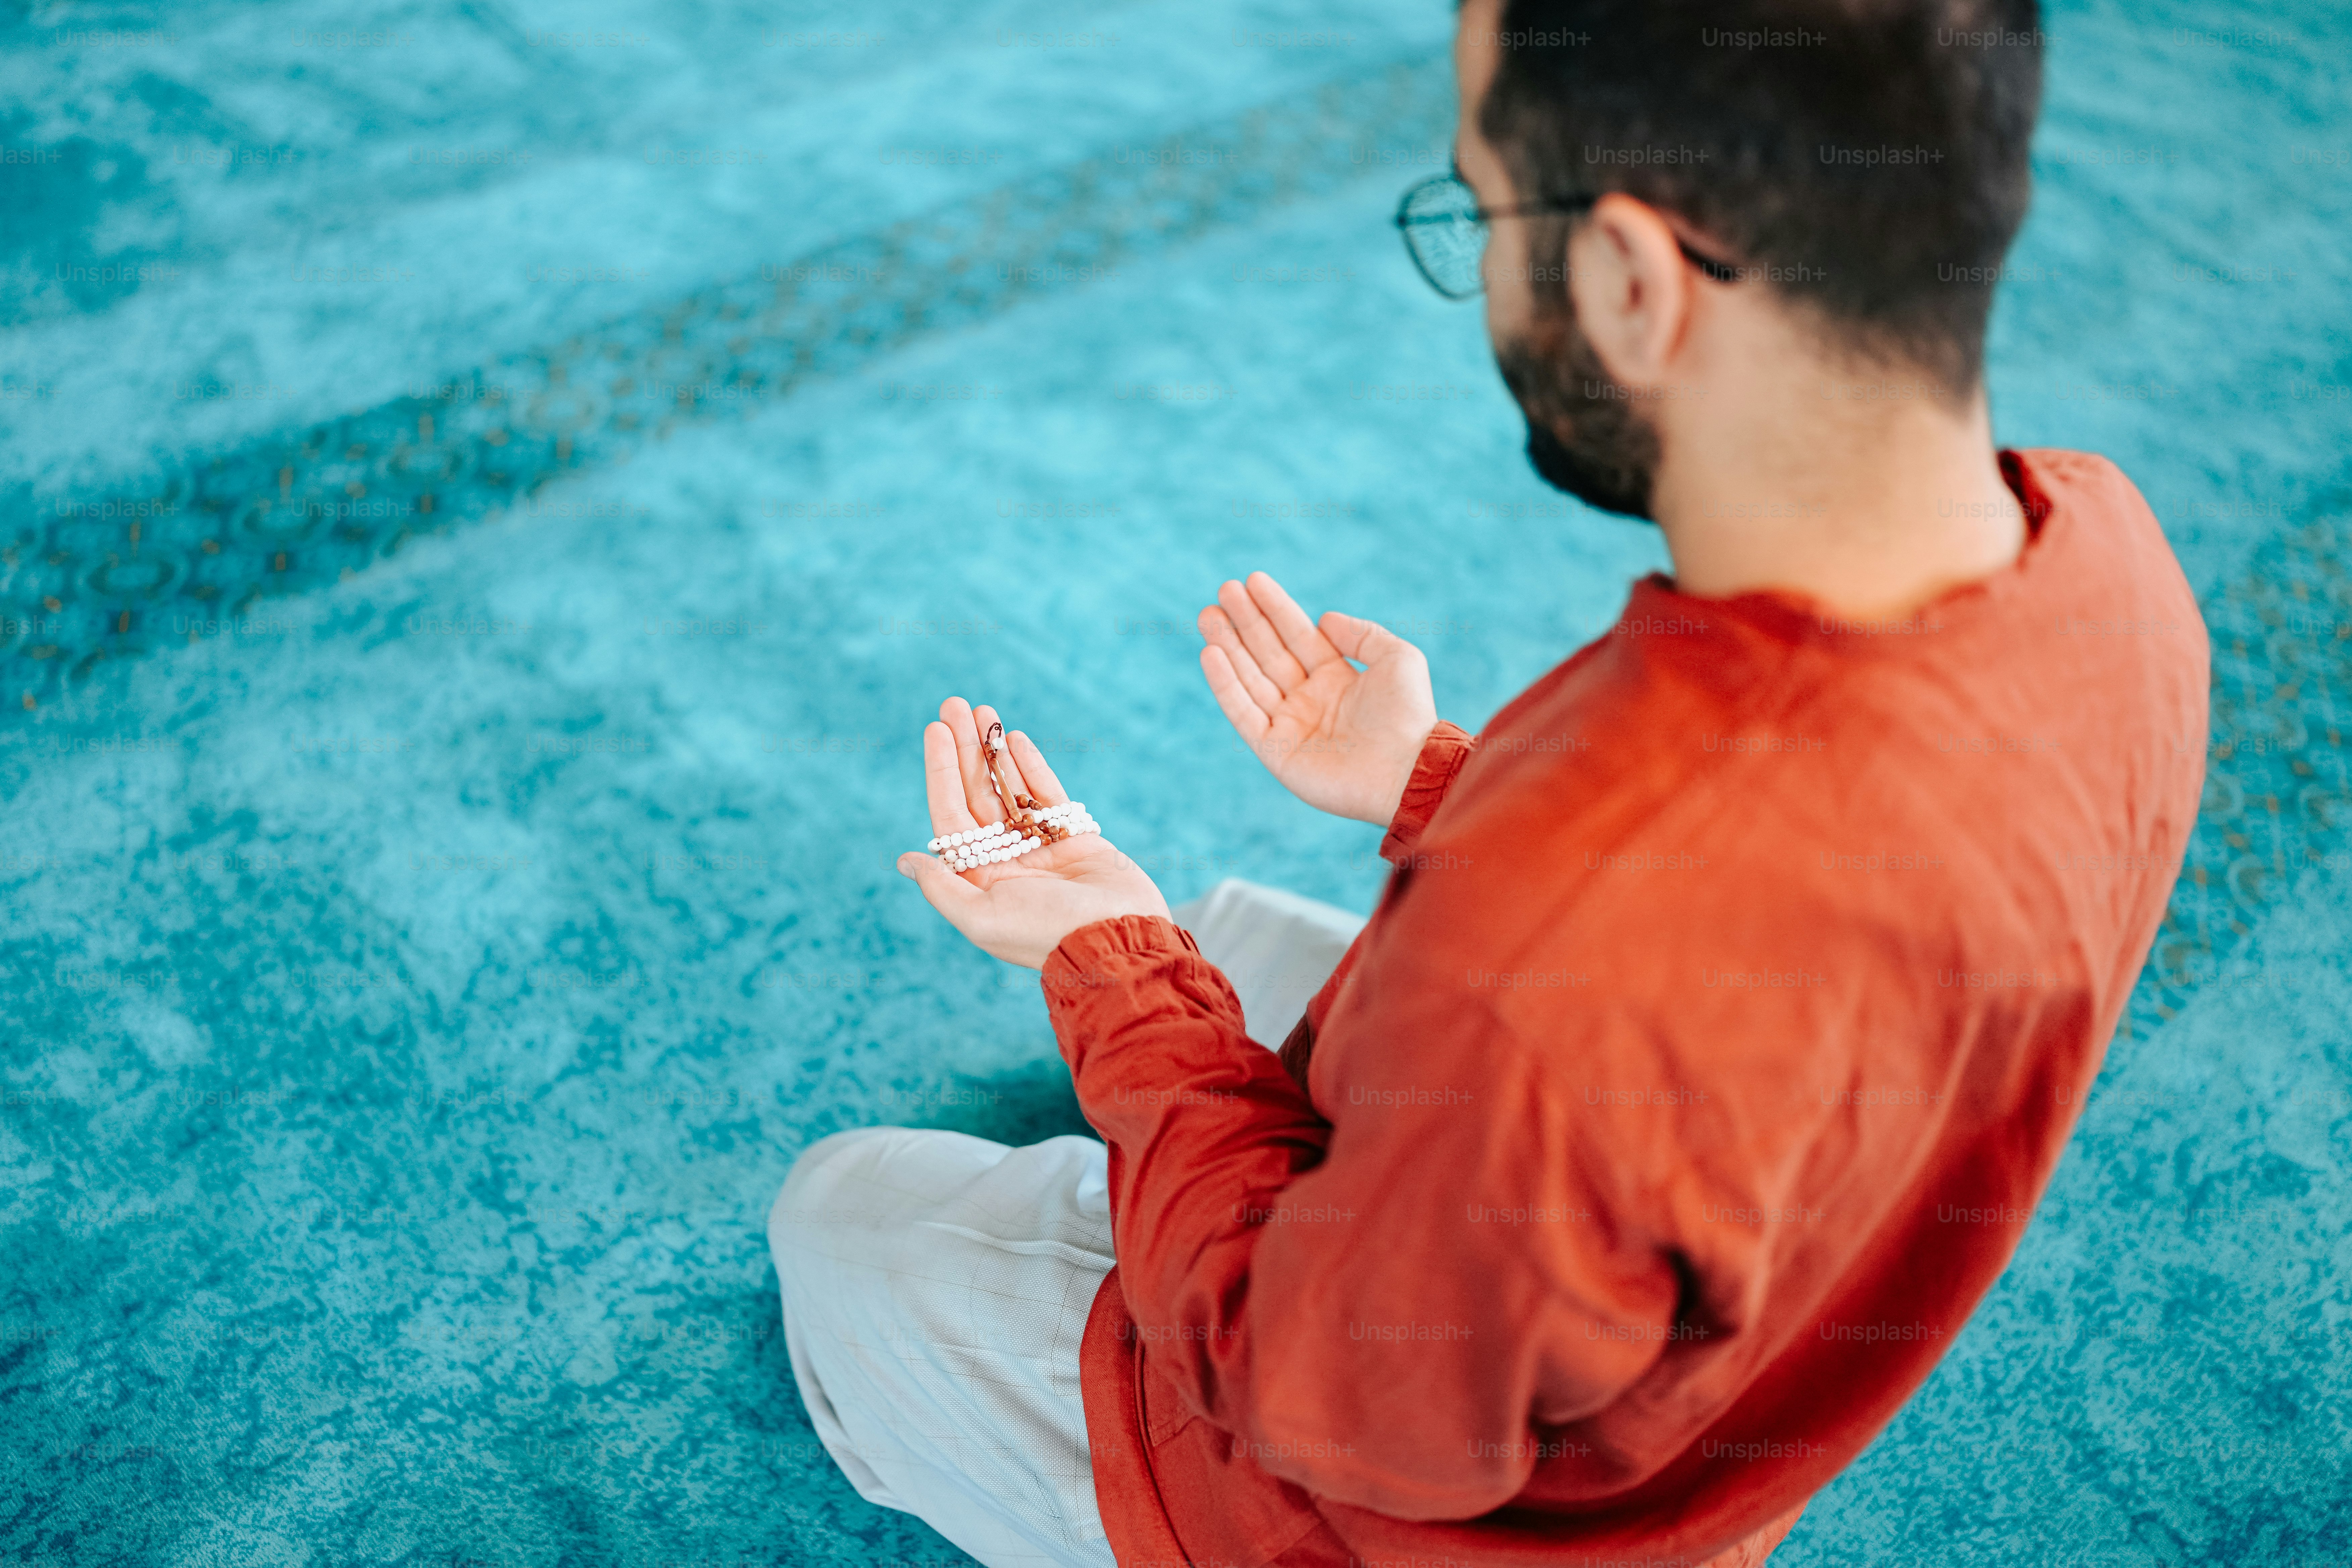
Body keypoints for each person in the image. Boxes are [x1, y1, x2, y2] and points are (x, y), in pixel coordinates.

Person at [768, 0, 2209, 1564]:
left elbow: (1310, 1390)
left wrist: (1106, 964)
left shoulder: (1558, 946)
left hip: (1356, 1499)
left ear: (1633, 281)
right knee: (1248, 936)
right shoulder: (2115, 562)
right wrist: (1438, 783)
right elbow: (1788, 924)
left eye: (1487, 209)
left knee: (837, 1212)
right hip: (1722, 1364)